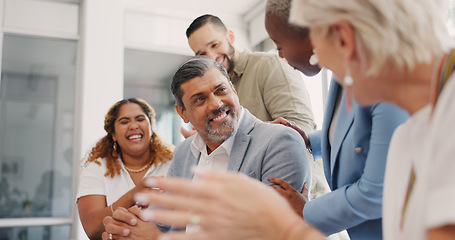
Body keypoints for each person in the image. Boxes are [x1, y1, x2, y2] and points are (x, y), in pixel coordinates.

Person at [132, 0, 455, 239]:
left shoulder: (441, 121)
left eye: (316, 46)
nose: (315, 58)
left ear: (344, 40)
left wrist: (287, 225)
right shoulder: (409, 133)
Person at [101, 56, 311, 240]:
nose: (216, 104)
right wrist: (128, 227)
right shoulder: (184, 153)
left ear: (234, 91)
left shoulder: (280, 142)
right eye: (200, 99)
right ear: (182, 113)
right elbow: (161, 219)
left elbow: (269, 234)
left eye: (221, 90)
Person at [264, 0, 409, 239]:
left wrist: (305, 212)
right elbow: (360, 134)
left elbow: (376, 192)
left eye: (280, 45)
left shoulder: (385, 79)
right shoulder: (342, 73)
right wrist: (309, 140)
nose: (280, 55)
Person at [185, 13, 329, 200]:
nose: (211, 57)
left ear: (230, 37)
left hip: (303, 203)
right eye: (201, 54)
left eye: (215, 45)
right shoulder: (219, 87)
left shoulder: (269, 66)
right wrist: (208, 140)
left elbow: (298, 132)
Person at [76, 98, 173, 239]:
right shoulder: (97, 168)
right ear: (113, 134)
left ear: (151, 126)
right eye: (124, 121)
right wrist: (134, 193)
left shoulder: (173, 162)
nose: (133, 126)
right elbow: (92, 230)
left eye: (140, 119)